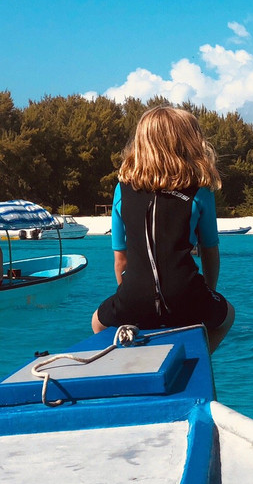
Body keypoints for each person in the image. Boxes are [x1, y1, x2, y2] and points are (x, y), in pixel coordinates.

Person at [91, 105, 234, 352]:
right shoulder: (200, 191)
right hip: (187, 294)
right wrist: (209, 291)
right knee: (227, 316)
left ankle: (128, 357)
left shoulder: (121, 189)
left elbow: (120, 259)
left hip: (134, 297)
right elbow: (210, 251)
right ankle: (198, 358)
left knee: (97, 324)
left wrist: (128, 296)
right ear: (189, 143)